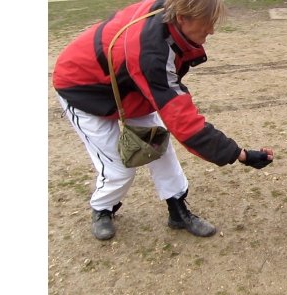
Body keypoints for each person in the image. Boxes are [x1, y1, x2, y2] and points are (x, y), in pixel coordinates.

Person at [52, 0, 274, 241]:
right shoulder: (151, 53)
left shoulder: (167, 12)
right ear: (182, 18)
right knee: (118, 169)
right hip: (84, 91)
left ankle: (177, 210)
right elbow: (186, 125)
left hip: (131, 87)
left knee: (158, 146)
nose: (212, 30)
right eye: (207, 23)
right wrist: (240, 154)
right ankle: (103, 208)